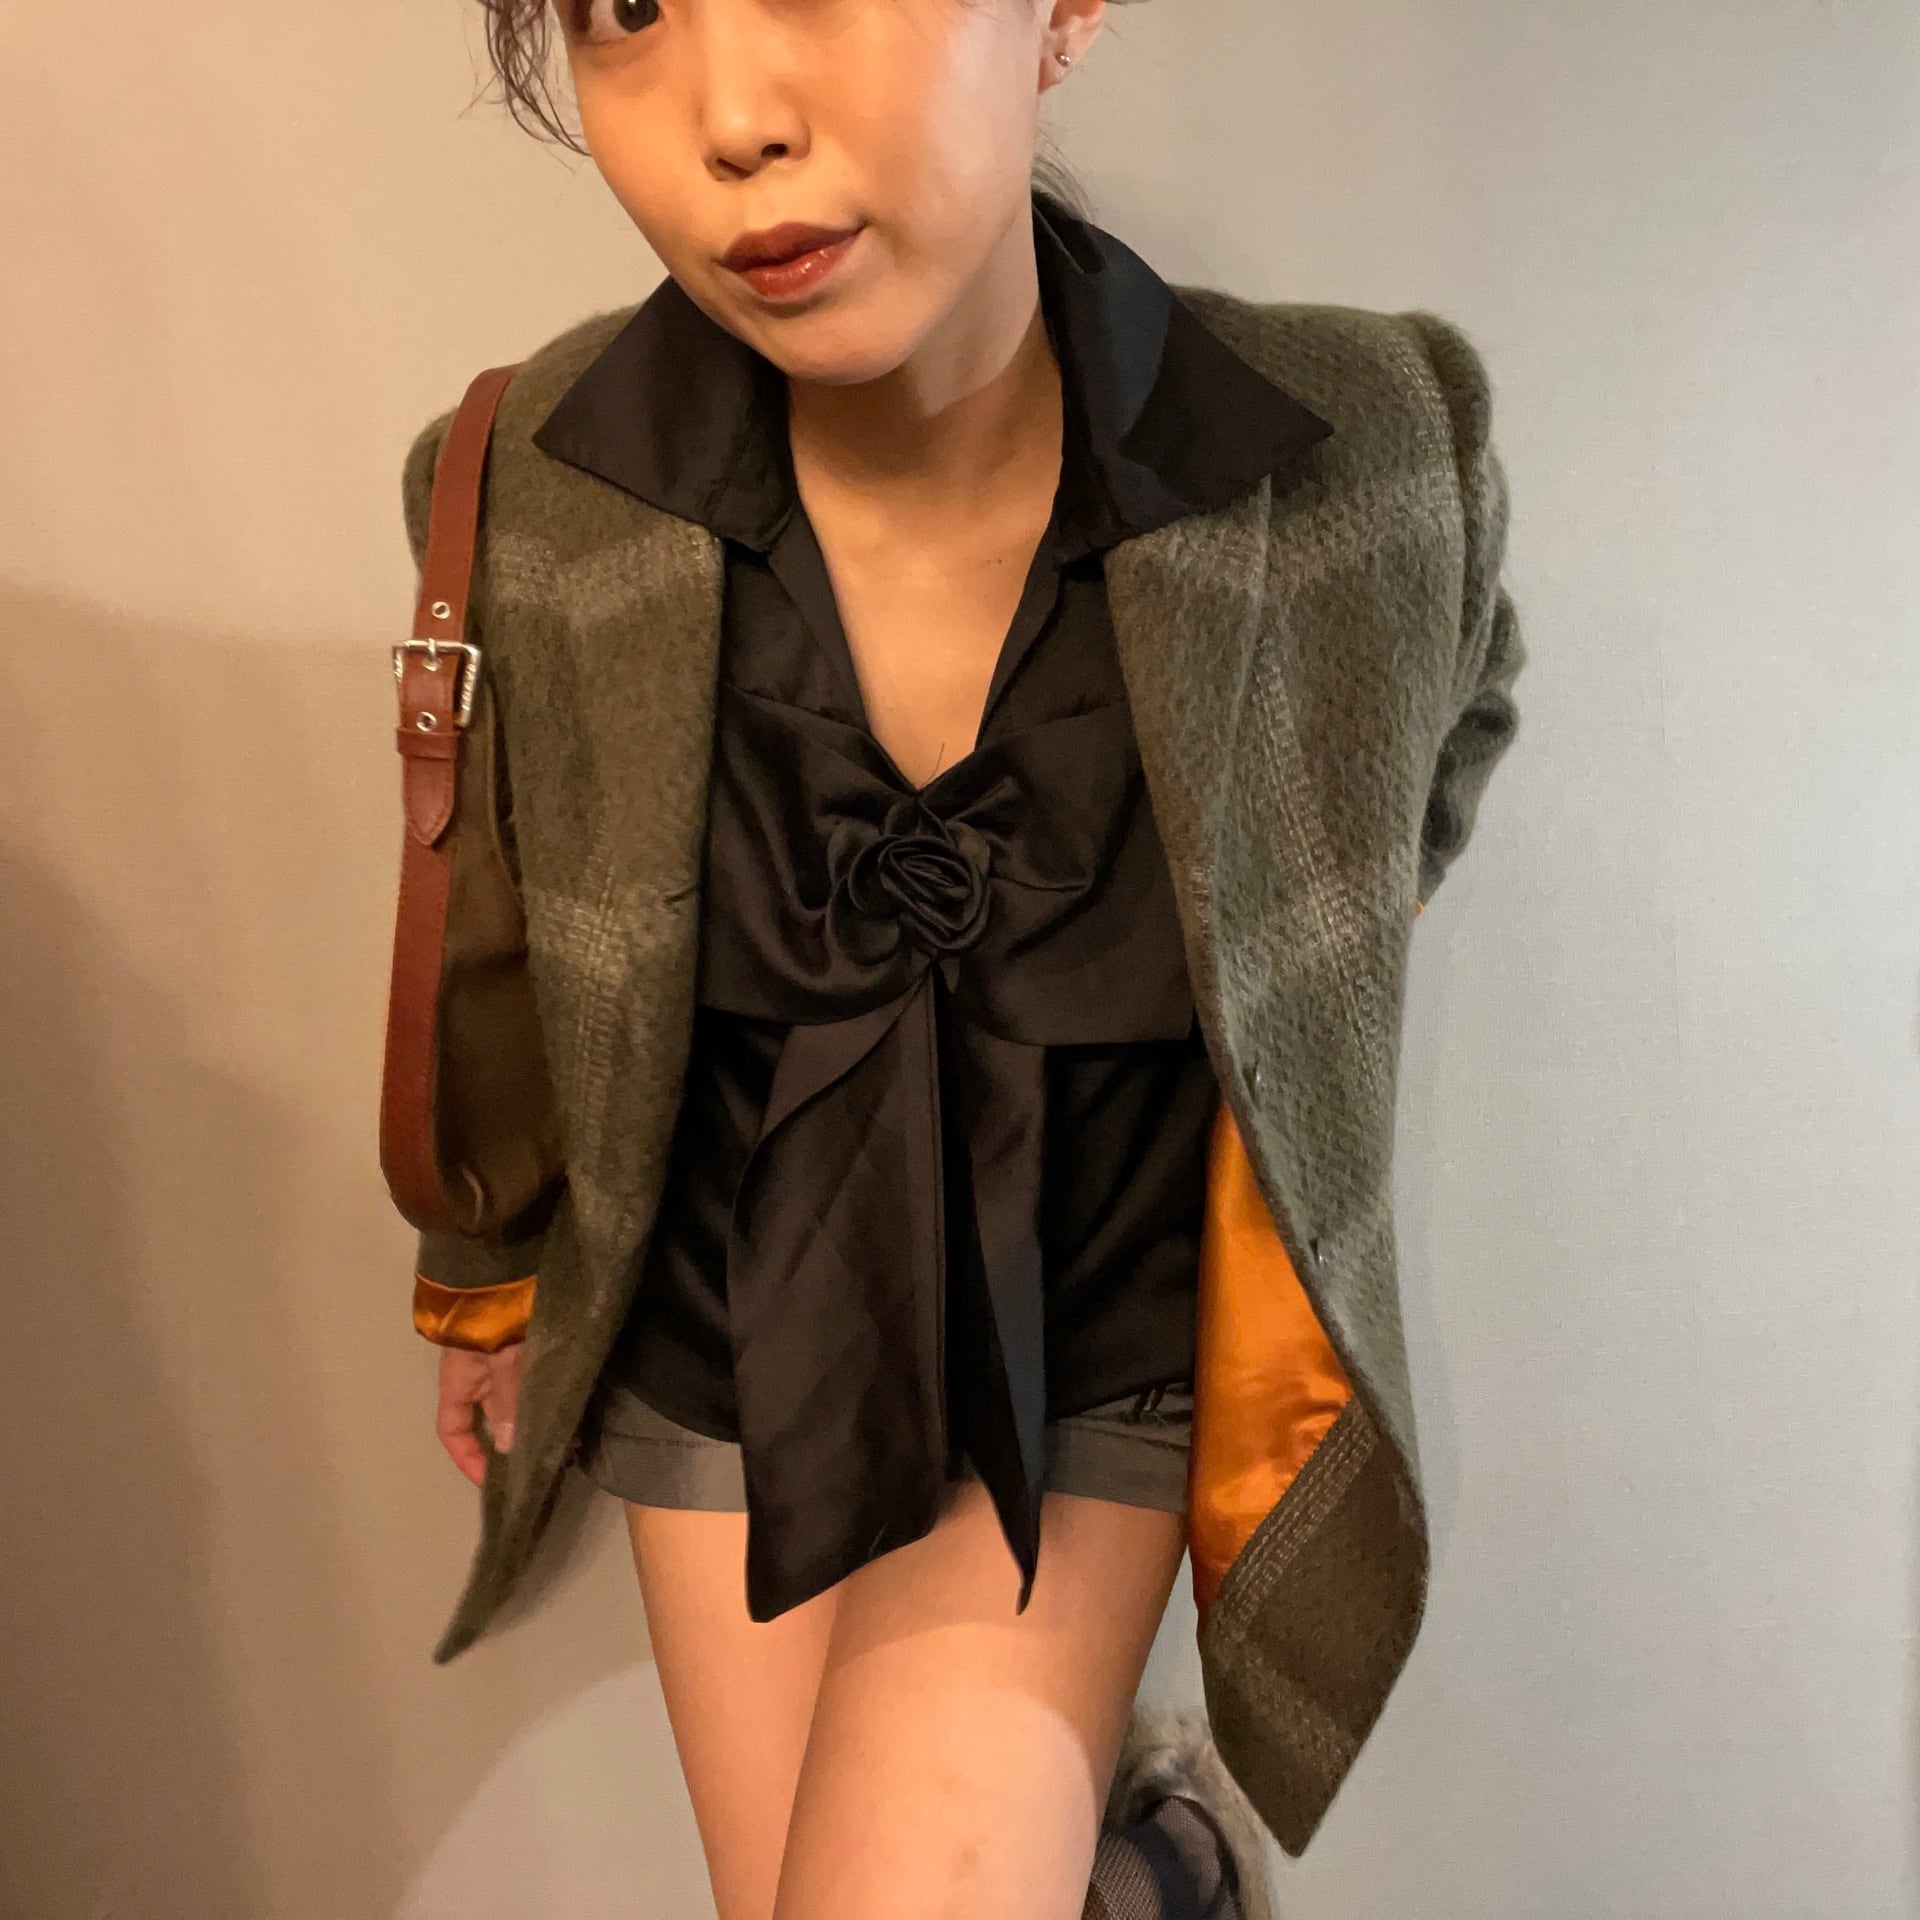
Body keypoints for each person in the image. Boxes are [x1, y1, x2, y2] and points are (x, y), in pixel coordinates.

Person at [397, 3, 1526, 1917]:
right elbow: (503, 906)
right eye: (626, 11)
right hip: (713, 1328)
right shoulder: (530, 479)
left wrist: (1308, 938)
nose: (732, 117)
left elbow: (1456, 701)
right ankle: (1148, 1879)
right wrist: (485, 1263)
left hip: (1095, 1328)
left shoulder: (1363, 441)